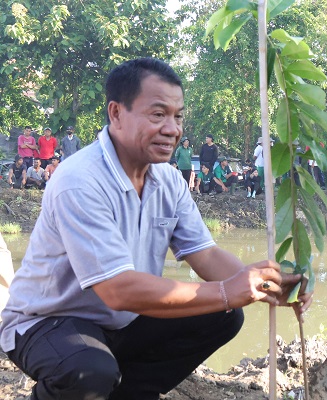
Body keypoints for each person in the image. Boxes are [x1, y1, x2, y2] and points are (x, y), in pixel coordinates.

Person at [0, 57, 311, 400]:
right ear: (116, 113)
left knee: (224, 317)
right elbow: (118, 290)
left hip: (119, 321)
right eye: (158, 114)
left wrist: (267, 286)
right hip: (49, 321)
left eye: (178, 116)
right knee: (88, 372)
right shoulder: (79, 180)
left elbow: (204, 254)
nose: (173, 129)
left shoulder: (167, 180)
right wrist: (226, 291)